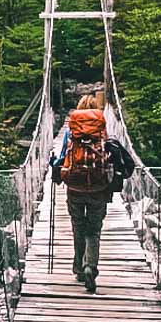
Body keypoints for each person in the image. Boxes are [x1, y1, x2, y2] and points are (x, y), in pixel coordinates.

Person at [51, 91, 113, 293]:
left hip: (75, 186)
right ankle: (90, 267)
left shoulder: (71, 131)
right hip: (98, 187)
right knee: (94, 230)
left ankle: (78, 268)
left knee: (78, 227)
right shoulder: (101, 130)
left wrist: (55, 170)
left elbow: (62, 157)